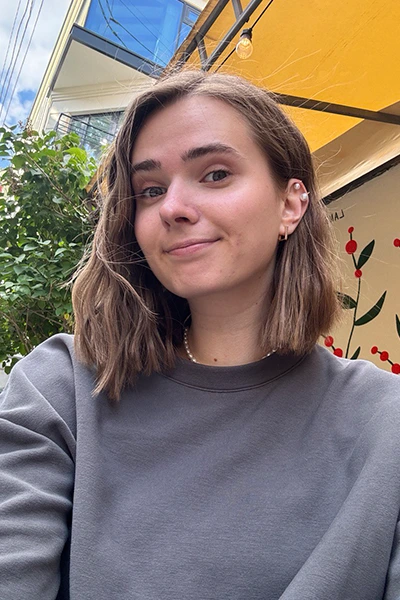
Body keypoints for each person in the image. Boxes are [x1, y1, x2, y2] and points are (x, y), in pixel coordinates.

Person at [1, 70, 400, 600]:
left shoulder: (386, 423)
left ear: (290, 204)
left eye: (214, 174)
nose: (172, 207)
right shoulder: (62, 389)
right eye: (150, 190)